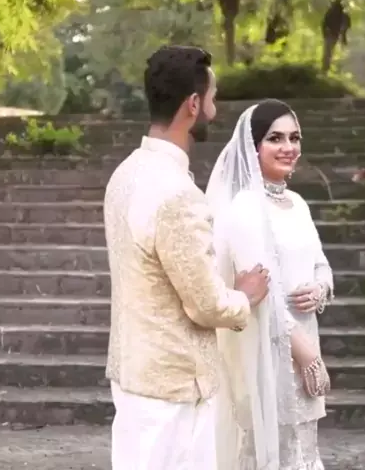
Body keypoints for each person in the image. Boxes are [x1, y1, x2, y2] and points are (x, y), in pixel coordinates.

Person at [103, 45, 270, 470]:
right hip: (174, 389)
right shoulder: (177, 194)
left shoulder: (124, 174)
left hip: (132, 372)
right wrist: (245, 296)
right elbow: (205, 304)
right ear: (193, 104)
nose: (215, 108)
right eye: (212, 97)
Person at [206, 99, 334, 470]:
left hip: (306, 339)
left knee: (304, 450)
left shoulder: (297, 203)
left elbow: (321, 264)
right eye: (275, 138)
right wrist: (307, 356)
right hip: (269, 348)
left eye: (295, 137)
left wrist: (320, 289)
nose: (288, 147)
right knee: (274, 452)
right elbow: (262, 294)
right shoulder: (246, 207)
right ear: (253, 145)